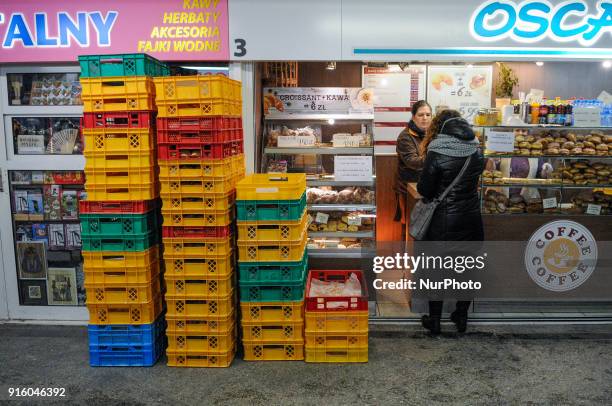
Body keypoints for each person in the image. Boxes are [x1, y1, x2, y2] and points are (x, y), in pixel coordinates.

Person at [416, 109, 485, 334]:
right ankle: (461, 317)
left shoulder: (437, 151)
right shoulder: (476, 151)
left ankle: (434, 321)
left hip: (443, 222)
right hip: (472, 219)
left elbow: (425, 189)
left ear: (441, 127)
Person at [395, 100, 432, 222]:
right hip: (408, 188)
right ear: (413, 117)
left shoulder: (432, 134)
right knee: (410, 227)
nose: (425, 118)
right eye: (420, 115)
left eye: (428, 114)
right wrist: (436, 157)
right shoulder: (405, 136)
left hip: (426, 187)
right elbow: (412, 161)